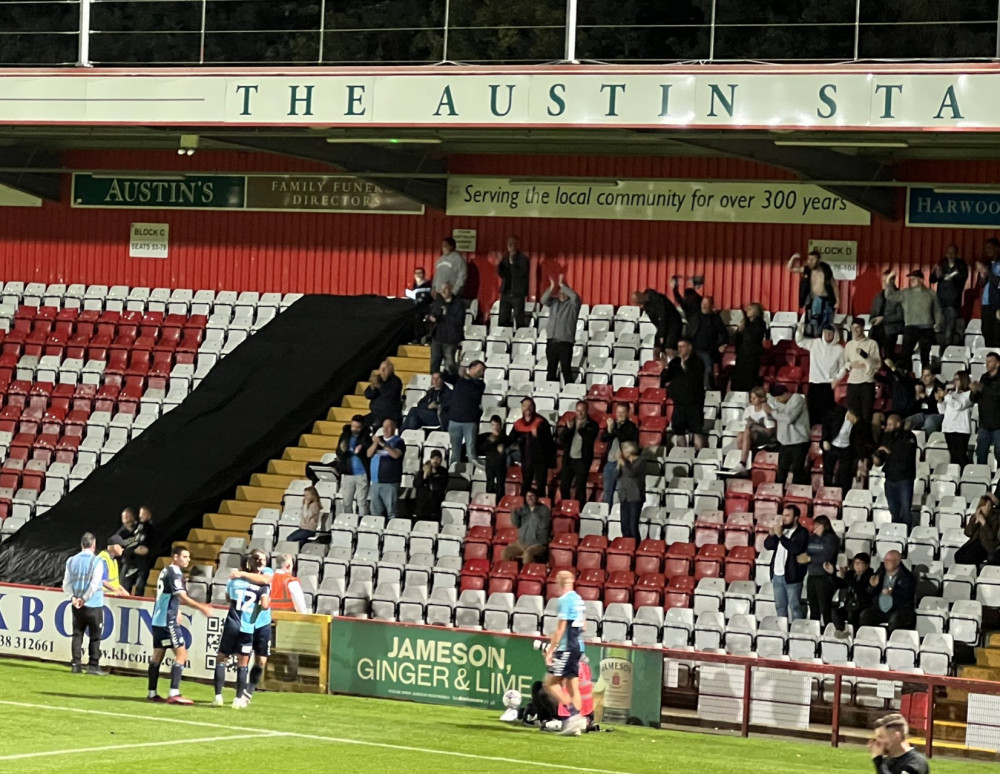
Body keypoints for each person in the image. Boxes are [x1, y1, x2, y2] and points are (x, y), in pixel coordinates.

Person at [148, 544, 212, 704]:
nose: (187, 560)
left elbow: (166, 595)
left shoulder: (165, 571)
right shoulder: (174, 573)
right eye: (184, 556)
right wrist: (201, 607)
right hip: (167, 621)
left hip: (158, 619)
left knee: (157, 655)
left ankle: (151, 693)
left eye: (188, 557)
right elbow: (182, 596)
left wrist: (176, 609)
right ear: (175, 557)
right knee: (182, 654)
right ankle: (174, 693)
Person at [212, 552, 270, 709]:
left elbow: (228, 597)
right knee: (243, 663)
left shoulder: (235, 580)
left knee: (221, 659)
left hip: (232, 623)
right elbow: (265, 605)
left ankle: (218, 696)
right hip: (248, 627)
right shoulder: (261, 586)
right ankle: (238, 699)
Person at [544, 570, 588, 736]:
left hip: (567, 647)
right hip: (578, 646)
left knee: (550, 683)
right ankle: (575, 726)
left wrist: (550, 650)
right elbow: (584, 625)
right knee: (572, 686)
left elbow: (561, 628)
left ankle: (574, 716)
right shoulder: (579, 600)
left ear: (558, 582)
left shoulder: (565, 600)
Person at [231, 548, 275, 704]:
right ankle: (241, 692)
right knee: (243, 658)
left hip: (263, 623)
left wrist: (242, 574)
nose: (261, 562)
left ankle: (249, 690)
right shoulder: (248, 574)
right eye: (258, 559)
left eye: (264, 559)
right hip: (247, 622)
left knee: (261, 660)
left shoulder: (267, 571)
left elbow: (265, 580)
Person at [62, 532, 107, 675]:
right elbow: (94, 584)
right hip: (93, 604)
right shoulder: (97, 561)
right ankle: (93, 665)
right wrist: (85, 598)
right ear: (94, 545)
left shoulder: (71, 560)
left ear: (82, 545)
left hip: (77, 605)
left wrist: (73, 598)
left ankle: (76, 664)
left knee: (77, 634)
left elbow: (66, 583)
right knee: (95, 636)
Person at [883, 269, 943, 372]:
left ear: (921, 279)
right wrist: (888, 281)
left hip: (926, 328)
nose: (911, 281)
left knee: (925, 355)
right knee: (906, 354)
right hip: (910, 327)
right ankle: (908, 375)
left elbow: (937, 310)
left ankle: (925, 377)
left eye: (914, 279)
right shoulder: (905, 293)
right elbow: (890, 296)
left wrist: (938, 324)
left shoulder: (931, 294)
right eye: (910, 279)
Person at [763, 505, 809, 622]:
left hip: (792, 576)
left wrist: (781, 536)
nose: (784, 518)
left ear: (796, 518)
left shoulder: (802, 533)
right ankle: (782, 634)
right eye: (783, 515)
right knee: (780, 607)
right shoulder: (781, 530)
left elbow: (795, 549)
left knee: (795, 607)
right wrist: (773, 535)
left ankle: (797, 633)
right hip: (777, 575)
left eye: (788, 516)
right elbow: (768, 546)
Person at [795, 319, 845, 427]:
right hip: (814, 384)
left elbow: (843, 368)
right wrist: (799, 329)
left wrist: (836, 380)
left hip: (828, 385)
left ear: (834, 334)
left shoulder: (840, 349)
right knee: (812, 414)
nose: (827, 335)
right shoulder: (814, 343)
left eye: (830, 333)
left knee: (827, 416)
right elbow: (800, 341)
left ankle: (825, 440)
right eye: (826, 332)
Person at [873, 413, 919, 530]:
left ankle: (907, 533)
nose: (887, 427)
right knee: (893, 510)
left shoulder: (909, 437)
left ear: (898, 424)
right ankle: (896, 532)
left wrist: (889, 451)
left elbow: (906, 456)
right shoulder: (886, 437)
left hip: (904, 479)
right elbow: (881, 459)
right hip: (890, 479)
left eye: (890, 424)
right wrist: (876, 458)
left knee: (905, 510)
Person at [660, 338, 707, 450]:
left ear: (689, 347)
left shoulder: (698, 361)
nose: (680, 349)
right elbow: (664, 379)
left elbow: (693, 378)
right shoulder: (675, 362)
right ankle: (682, 455)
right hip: (679, 402)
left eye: (683, 346)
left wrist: (683, 364)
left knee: (696, 430)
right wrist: (666, 367)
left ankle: (697, 455)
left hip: (694, 403)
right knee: (679, 431)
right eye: (678, 347)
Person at [860, 550, 916, 635]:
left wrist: (891, 592)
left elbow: (906, 596)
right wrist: (872, 586)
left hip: (898, 609)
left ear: (897, 562)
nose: (886, 562)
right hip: (880, 607)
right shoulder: (880, 572)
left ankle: (890, 643)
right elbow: (870, 593)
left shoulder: (907, 577)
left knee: (895, 619)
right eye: (885, 559)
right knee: (865, 615)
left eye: (889, 560)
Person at [766, 384, 811, 486]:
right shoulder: (774, 401)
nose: (778, 401)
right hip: (784, 441)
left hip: (799, 440)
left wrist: (772, 411)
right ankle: (778, 492)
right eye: (776, 399)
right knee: (782, 470)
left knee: (797, 469)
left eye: (780, 398)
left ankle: (798, 493)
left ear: (786, 394)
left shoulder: (797, 399)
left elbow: (789, 418)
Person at [799, 515, 839, 627]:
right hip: (812, 575)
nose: (815, 527)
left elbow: (827, 556)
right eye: (814, 524)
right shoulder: (812, 538)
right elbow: (806, 552)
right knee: (813, 608)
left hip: (824, 577)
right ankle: (813, 630)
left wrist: (810, 559)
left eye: (818, 525)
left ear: (824, 525)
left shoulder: (831, 539)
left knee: (825, 608)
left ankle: (829, 630)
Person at [541, 274, 580, 384]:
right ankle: (550, 390)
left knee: (565, 369)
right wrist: (552, 286)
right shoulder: (554, 303)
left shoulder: (573, 305)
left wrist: (562, 284)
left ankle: (569, 389)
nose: (562, 294)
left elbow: (575, 297)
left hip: (565, 342)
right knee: (551, 369)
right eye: (560, 292)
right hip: (551, 341)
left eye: (564, 292)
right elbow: (543, 300)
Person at [841, 316, 881, 426]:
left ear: (863, 328)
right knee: (853, 415)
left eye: (858, 328)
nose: (855, 331)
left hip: (867, 382)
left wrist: (866, 358)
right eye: (853, 328)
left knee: (866, 416)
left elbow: (877, 364)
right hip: (853, 383)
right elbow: (845, 363)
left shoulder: (872, 344)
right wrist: (851, 365)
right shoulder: (849, 345)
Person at [788, 249, 836, 337]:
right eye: (809, 259)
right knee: (813, 323)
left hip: (826, 300)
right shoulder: (807, 269)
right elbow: (790, 269)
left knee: (826, 324)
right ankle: (813, 338)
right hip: (813, 301)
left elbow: (834, 285)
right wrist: (793, 258)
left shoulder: (825, 270)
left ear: (818, 260)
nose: (810, 261)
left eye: (813, 259)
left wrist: (838, 301)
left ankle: (825, 341)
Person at [446, 360, 486, 465]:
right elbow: (444, 376)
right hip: (454, 420)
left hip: (470, 421)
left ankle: (472, 473)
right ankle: (454, 473)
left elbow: (475, 391)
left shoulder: (480, 384)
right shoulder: (459, 379)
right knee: (455, 452)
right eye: (480, 369)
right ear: (471, 368)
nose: (482, 372)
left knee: (471, 452)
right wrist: (453, 369)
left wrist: (464, 376)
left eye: (483, 370)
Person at [558, 400, 599, 504]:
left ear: (587, 411)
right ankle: (566, 506)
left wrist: (580, 428)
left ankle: (579, 510)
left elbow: (589, 438)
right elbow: (561, 439)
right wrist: (568, 429)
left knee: (580, 488)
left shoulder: (592, 425)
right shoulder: (571, 423)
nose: (580, 413)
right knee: (564, 487)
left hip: (582, 460)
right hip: (569, 459)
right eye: (578, 410)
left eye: (582, 411)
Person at [512, 397, 554, 495]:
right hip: (526, 460)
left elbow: (549, 443)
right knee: (525, 486)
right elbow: (511, 439)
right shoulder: (519, 424)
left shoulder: (542, 423)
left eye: (530, 406)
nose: (528, 408)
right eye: (525, 406)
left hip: (540, 461)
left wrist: (537, 437)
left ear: (534, 407)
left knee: (540, 487)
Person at [685, 295, 729, 389]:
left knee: (708, 369)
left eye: (706, 304)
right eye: (703, 304)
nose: (704, 306)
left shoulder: (715, 319)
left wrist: (722, 344)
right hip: (694, 349)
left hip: (708, 350)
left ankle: (706, 388)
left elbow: (723, 334)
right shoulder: (695, 317)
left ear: (711, 305)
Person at [600, 402, 639, 505]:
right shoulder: (613, 425)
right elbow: (603, 438)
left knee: (620, 493)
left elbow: (624, 438)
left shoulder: (631, 427)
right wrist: (609, 429)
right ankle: (607, 514)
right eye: (618, 412)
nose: (620, 415)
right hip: (610, 463)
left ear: (628, 413)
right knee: (608, 492)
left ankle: (618, 515)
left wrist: (615, 429)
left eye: (622, 412)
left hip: (623, 464)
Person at [829, 552, 876, 637]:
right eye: (855, 563)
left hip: (863, 604)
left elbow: (861, 591)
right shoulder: (850, 574)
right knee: (835, 610)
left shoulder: (870, 576)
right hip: (850, 602)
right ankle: (839, 630)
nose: (856, 565)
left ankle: (853, 634)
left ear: (867, 565)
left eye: (859, 563)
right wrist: (832, 574)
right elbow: (840, 584)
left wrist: (846, 578)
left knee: (852, 612)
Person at [733, 386, 777, 476]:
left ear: (761, 399)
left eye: (754, 398)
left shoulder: (767, 409)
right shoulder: (748, 410)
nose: (751, 400)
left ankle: (743, 463)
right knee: (741, 434)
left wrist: (754, 425)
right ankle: (744, 463)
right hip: (753, 435)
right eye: (751, 398)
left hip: (767, 438)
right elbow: (746, 426)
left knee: (747, 432)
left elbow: (769, 432)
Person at [931, 244, 969, 347]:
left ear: (957, 254)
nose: (950, 255)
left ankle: (946, 351)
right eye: (948, 252)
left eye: (952, 253)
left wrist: (952, 277)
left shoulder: (961, 265)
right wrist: (936, 273)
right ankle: (935, 350)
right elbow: (932, 280)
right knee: (936, 327)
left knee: (949, 330)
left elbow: (962, 279)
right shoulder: (942, 263)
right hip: (939, 302)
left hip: (952, 302)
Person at [502, 488, 552, 564]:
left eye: (532, 496)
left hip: (537, 544)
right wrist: (514, 513)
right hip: (521, 542)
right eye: (527, 496)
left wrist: (534, 514)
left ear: (537, 498)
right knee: (506, 552)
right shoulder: (524, 509)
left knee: (528, 555)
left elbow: (544, 526)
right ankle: (510, 572)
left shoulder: (544, 510)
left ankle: (525, 574)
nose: (529, 498)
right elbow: (516, 524)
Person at [822, 406, 865, 494]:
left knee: (845, 474)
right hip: (833, 445)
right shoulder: (837, 414)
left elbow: (859, 442)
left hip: (847, 448)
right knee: (828, 470)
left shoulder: (859, 424)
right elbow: (826, 425)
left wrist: (860, 458)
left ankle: (843, 493)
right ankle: (827, 490)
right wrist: (825, 440)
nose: (855, 421)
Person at [367, 418, 405, 518]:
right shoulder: (377, 440)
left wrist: (383, 444)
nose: (386, 430)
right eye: (384, 427)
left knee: (391, 511)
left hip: (390, 482)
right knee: (375, 512)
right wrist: (376, 443)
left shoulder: (398, 441)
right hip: (376, 481)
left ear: (394, 428)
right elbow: (369, 454)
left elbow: (396, 455)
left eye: (388, 427)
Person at [336, 415, 371, 515]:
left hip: (362, 473)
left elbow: (369, 449)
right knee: (347, 502)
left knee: (362, 502)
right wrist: (342, 450)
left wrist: (362, 447)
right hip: (348, 473)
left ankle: (362, 522)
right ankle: (349, 521)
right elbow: (338, 451)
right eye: (353, 426)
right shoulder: (345, 435)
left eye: (358, 427)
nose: (355, 429)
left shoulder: (366, 436)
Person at [635, 287, 682, 359]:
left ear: (641, 296)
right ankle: (657, 368)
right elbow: (655, 321)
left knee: (669, 349)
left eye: (638, 301)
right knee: (656, 349)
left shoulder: (658, 299)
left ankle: (678, 366)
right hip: (662, 326)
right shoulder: (646, 307)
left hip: (673, 325)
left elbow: (662, 317)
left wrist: (662, 335)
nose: (639, 304)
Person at [937, 370, 973, 467]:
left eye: (957, 379)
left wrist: (946, 396)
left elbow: (959, 406)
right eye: (954, 379)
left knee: (961, 456)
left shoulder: (969, 394)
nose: (954, 381)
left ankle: (966, 475)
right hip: (949, 428)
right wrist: (940, 401)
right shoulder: (951, 394)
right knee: (953, 457)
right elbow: (942, 411)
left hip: (961, 429)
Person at [427, 282, 464, 375]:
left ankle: (451, 383)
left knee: (450, 364)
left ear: (450, 289)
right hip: (437, 337)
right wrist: (432, 318)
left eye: (446, 288)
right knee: (434, 363)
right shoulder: (438, 302)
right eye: (441, 289)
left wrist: (445, 314)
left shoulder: (458, 303)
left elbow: (459, 320)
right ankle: (434, 383)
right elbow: (433, 313)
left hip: (450, 339)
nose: (443, 291)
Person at [729, 302, 767, 392]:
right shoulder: (745, 324)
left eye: (751, 308)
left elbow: (752, 337)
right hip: (741, 356)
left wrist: (744, 330)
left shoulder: (760, 323)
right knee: (737, 381)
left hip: (751, 357)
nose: (748, 310)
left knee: (749, 381)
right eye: (748, 308)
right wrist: (739, 330)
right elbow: (734, 340)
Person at [121, 505, 157, 596]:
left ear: (149, 515)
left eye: (143, 514)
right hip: (130, 561)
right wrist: (132, 550)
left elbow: (149, 547)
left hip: (142, 563)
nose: (141, 516)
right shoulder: (135, 527)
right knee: (124, 586)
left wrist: (145, 550)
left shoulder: (150, 530)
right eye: (140, 514)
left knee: (139, 587)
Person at [954, 495, 1000, 567]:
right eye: (984, 506)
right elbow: (968, 533)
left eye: (989, 506)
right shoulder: (976, 516)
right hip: (975, 542)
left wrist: (984, 522)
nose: (987, 508)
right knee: (958, 555)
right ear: (980, 507)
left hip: (987, 545)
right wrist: (974, 520)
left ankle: (974, 572)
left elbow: (991, 536)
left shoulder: (994, 518)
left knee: (970, 558)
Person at [972, 351, 1000, 465]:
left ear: (998, 364)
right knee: (981, 451)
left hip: (998, 424)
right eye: (986, 361)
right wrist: (974, 391)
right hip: (984, 423)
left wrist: (982, 388)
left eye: (990, 361)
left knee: (999, 452)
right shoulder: (984, 377)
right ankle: (981, 473)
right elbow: (974, 399)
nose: (987, 364)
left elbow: (997, 395)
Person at [497, 236, 530, 329]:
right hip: (506, 292)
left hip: (517, 294)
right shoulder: (505, 258)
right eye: (508, 244)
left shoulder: (523, 259)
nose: (509, 246)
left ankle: (519, 337)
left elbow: (520, 273)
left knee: (519, 318)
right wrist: (500, 264)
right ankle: (503, 337)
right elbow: (502, 274)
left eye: (512, 243)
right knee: (503, 318)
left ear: (517, 245)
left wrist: (512, 264)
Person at [616, 441, 645, 540]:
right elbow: (616, 475)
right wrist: (618, 465)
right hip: (624, 496)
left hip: (635, 496)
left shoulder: (641, 461)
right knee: (625, 527)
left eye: (624, 449)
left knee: (633, 527)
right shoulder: (624, 463)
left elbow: (631, 473)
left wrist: (623, 463)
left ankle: (635, 548)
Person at [364, 359, 403, 431]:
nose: (382, 371)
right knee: (358, 422)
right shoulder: (378, 379)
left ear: (391, 370)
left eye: (385, 369)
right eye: (381, 368)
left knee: (375, 424)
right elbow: (368, 395)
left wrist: (378, 385)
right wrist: (372, 387)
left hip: (389, 415)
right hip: (375, 413)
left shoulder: (395, 381)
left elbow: (389, 395)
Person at [975, 237, 1000, 348]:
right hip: (986, 303)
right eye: (986, 248)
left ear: (997, 249)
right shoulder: (987, 263)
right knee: (985, 330)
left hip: (997, 304)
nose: (987, 251)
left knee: (996, 333)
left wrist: (987, 272)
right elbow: (981, 283)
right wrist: (982, 275)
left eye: (990, 248)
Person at [869, 285, 905, 362]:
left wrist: (884, 319)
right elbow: (873, 310)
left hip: (891, 330)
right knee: (874, 354)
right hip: (877, 329)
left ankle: (889, 370)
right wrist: (872, 319)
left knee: (888, 356)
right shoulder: (879, 295)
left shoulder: (899, 296)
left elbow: (900, 316)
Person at [478, 415, 510, 498]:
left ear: (500, 425)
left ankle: (500, 504)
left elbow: (507, 445)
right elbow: (483, 448)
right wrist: (491, 439)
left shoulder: (504, 438)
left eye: (497, 425)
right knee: (489, 485)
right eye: (493, 425)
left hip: (500, 465)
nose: (495, 427)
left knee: (500, 486)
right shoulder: (487, 437)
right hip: (490, 464)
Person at [905, 368, 946, 433]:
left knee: (928, 425)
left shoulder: (939, 388)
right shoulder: (919, 387)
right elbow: (913, 408)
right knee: (907, 422)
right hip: (922, 414)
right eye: (923, 375)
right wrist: (917, 395)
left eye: (927, 376)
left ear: (933, 377)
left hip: (935, 414)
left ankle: (923, 441)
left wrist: (925, 397)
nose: (924, 378)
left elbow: (935, 407)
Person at [413, 449, 449, 520]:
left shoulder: (443, 471)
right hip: (423, 504)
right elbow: (416, 484)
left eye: (438, 458)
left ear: (441, 460)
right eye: (433, 458)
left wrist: (434, 474)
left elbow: (442, 485)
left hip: (436, 503)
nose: (435, 461)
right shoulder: (422, 471)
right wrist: (425, 475)